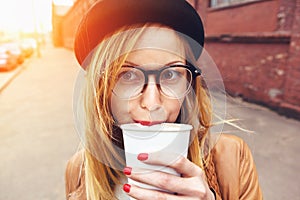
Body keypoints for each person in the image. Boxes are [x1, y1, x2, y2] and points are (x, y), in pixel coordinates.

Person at [65, 0, 263, 199]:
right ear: (101, 89)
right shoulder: (78, 171)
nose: (152, 104)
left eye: (170, 75)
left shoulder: (232, 158)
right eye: (127, 76)